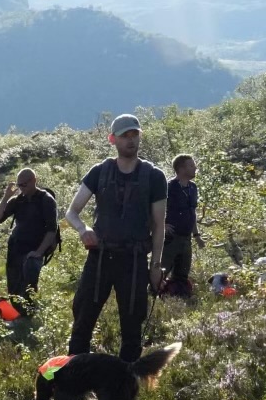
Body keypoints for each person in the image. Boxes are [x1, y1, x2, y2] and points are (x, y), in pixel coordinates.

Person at [63, 115, 168, 364]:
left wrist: (155, 266)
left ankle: (125, 385)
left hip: (134, 261)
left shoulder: (154, 176)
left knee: (132, 327)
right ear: (113, 139)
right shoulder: (99, 172)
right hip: (100, 258)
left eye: (135, 135)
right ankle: (74, 380)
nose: (131, 140)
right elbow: (71, 212)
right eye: (125, 136)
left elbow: (159, 226)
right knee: (82, 321)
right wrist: (82, 229)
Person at [0, 168, 60, 296]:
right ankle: (18, 313)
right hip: (16, 247)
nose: (21, 187)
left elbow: (52, 230)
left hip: (34, 249)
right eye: (19, 185)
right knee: (13, 285)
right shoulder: (17, 200)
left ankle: (29, 312)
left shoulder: (46, 200)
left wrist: (39, 252)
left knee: (29, 286)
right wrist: (6, 197)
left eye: (24, 184)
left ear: (34, 180)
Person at [162, 154, 203, 297]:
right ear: (181, 169)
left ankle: (178, 299)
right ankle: (152, 298)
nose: (195, 168)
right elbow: (152, 208)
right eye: (191, 165)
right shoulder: (168, 187)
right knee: (161, 272)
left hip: (186, 239)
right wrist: (162, 226)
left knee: (182, 274)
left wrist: (196, 235)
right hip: (170, 239)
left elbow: (192, 212)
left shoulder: (193, 188)